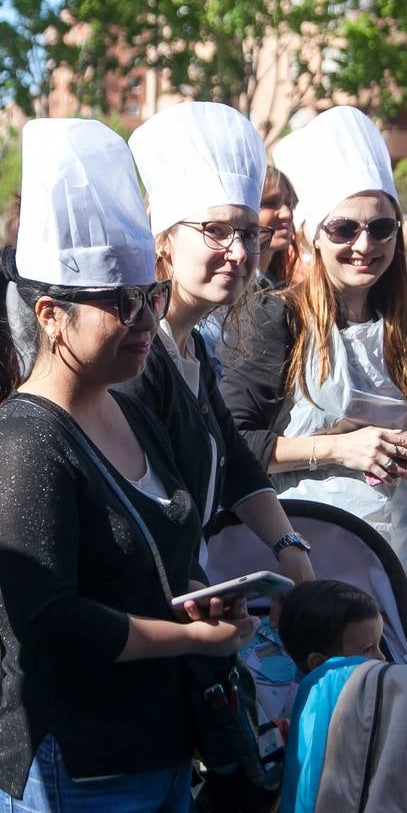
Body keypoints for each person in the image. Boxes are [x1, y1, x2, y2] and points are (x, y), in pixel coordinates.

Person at [0, 118, 256, 813]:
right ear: (49, 314)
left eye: (147, 296)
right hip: (78, 765)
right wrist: (190, 636)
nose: (141, 320)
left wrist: (208, 598)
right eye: (116, 303)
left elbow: (167, 554)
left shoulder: (130, 408)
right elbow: (51, 624)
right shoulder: (23, 444)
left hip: (161, 750)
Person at [222, 105, 407, 670]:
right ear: (313, 235)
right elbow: (233, 444)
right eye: (345, 228)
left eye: (382, 227)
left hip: (402, 540)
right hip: (307, 545)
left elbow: (405, 437)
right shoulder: (272, 319)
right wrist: (337, 446)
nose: (366, 244)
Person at [125, 101, 315, 594]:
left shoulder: (193, 349)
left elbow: (234, 457)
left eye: (250, 234)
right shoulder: (137, 357)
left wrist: (288, 545)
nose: (238, 252)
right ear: (163, 240)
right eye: (216, 230)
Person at [276, 579, 384, 676]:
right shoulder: (331, 697)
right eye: (368, 649)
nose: (382, 658)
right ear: (320, 664)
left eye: (378, 644)